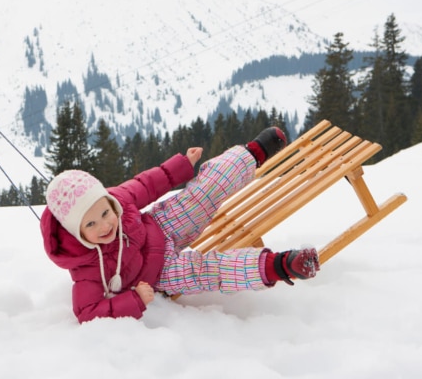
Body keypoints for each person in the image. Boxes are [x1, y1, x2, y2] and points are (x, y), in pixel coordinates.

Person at [41, 127, 320, 323]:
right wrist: (135, 299)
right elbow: (87, 311)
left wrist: (182, 165)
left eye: (105, 212)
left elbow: (147, 184)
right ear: (77, 231)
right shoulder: (85, 267)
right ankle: (281, 265)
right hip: (159, 275)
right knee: (206, 271)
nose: (105, 225)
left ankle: (251, 154)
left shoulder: (117, 199)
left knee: (202, 194)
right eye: (91, 224)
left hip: (161, 226)